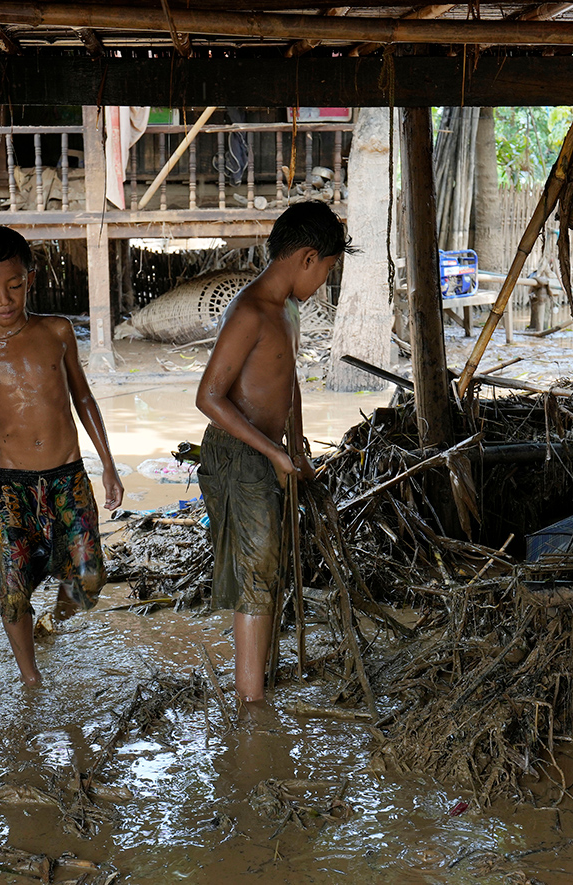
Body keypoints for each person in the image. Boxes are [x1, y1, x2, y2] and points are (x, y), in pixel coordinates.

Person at [195, 201, 354, 703]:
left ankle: (257, 682)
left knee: (267, 570)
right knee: (255, 574)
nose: (322, 282)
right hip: (238, 455)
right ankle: (251, 705)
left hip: (268, 452)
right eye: (326, 271)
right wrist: (272, 452)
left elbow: (289, 384)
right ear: (307, 258)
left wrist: (295, 447)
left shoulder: (287, 309)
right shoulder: (251, 311)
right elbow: (209, 397)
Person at [0, 226, 124, 686]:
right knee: (12, 593)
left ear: (30, 277)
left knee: (89, 580)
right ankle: (32, 681)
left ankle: (57, 621)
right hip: (11, 488)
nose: (3, 299)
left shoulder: (57, 332)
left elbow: (84, 400)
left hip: (68, 477)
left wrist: (108, 464)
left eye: (13, 285)